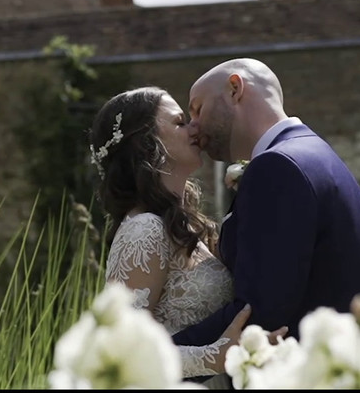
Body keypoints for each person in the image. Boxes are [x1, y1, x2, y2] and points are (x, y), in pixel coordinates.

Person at [173, 58, 360, 350]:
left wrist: (160, 362)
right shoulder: (320, 156)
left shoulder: (278, 167)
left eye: (198, 109)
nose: (194, 125)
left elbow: (258, 313)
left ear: (235, 88)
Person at [88, 86, 286, 384]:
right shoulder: (144, 230)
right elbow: (119, 353)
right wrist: (213, 356)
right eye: (180, 122)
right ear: (148, 143)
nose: (195, 126)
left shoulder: (190, 227)